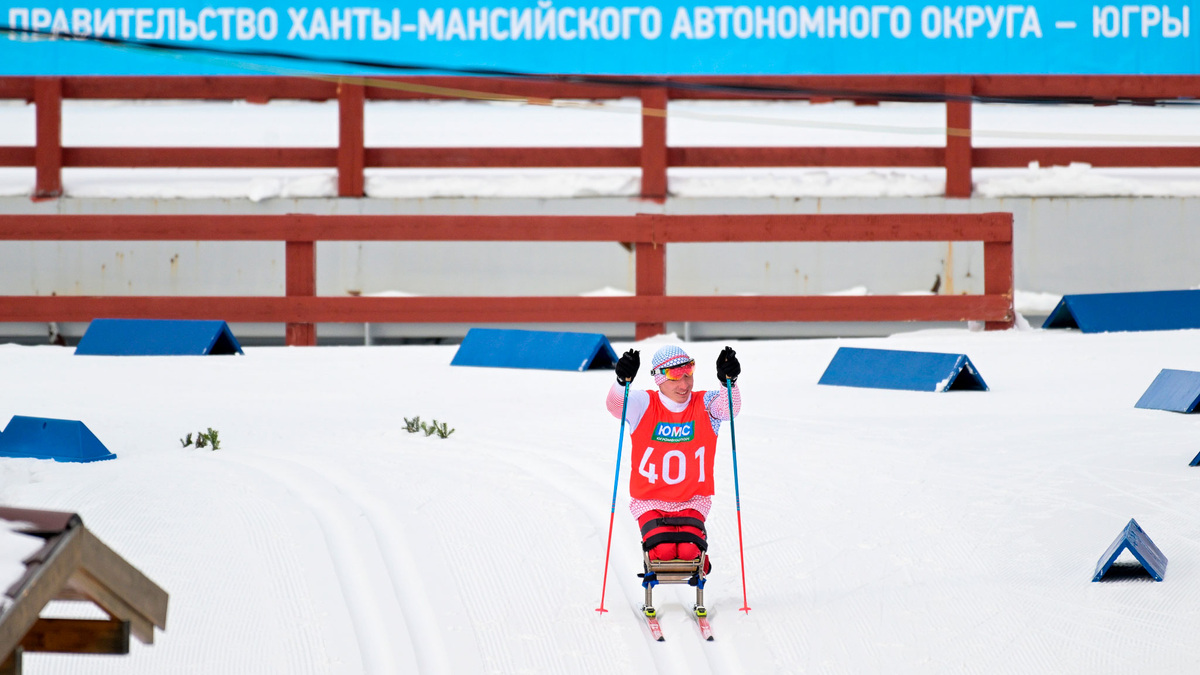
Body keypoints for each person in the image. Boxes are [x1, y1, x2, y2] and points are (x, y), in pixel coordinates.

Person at [605, 344, 741, 571]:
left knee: (689, 553)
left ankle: (699, 555)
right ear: (659, 379)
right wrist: (622, 381)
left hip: (692, 501)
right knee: (664, 552)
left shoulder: (704, 403)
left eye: (688, 375)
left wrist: (729, 381)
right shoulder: (644, 403)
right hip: (650, 501)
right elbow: (616, 407)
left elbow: (729, 409)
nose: (684, 385)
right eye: (675, 378)